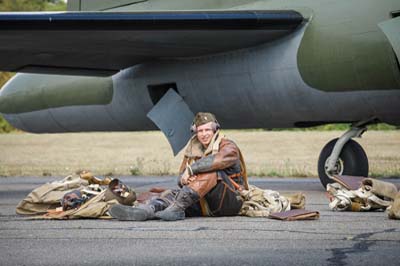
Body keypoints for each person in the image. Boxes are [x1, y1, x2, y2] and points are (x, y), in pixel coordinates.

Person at [109, 112, 248, 221]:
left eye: (207, 130)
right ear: (195, 132)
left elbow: (216, 161)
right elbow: (181, 177)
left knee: (211, 172)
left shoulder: (228, 146)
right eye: (200, 131)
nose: (204, 134)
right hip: (206, 203)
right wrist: (184, 180)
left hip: (230, 203)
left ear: (215, 130)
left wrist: (192, 169)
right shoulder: (193, 150)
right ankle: (147, 211)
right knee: (172, 194)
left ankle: (176, 208)